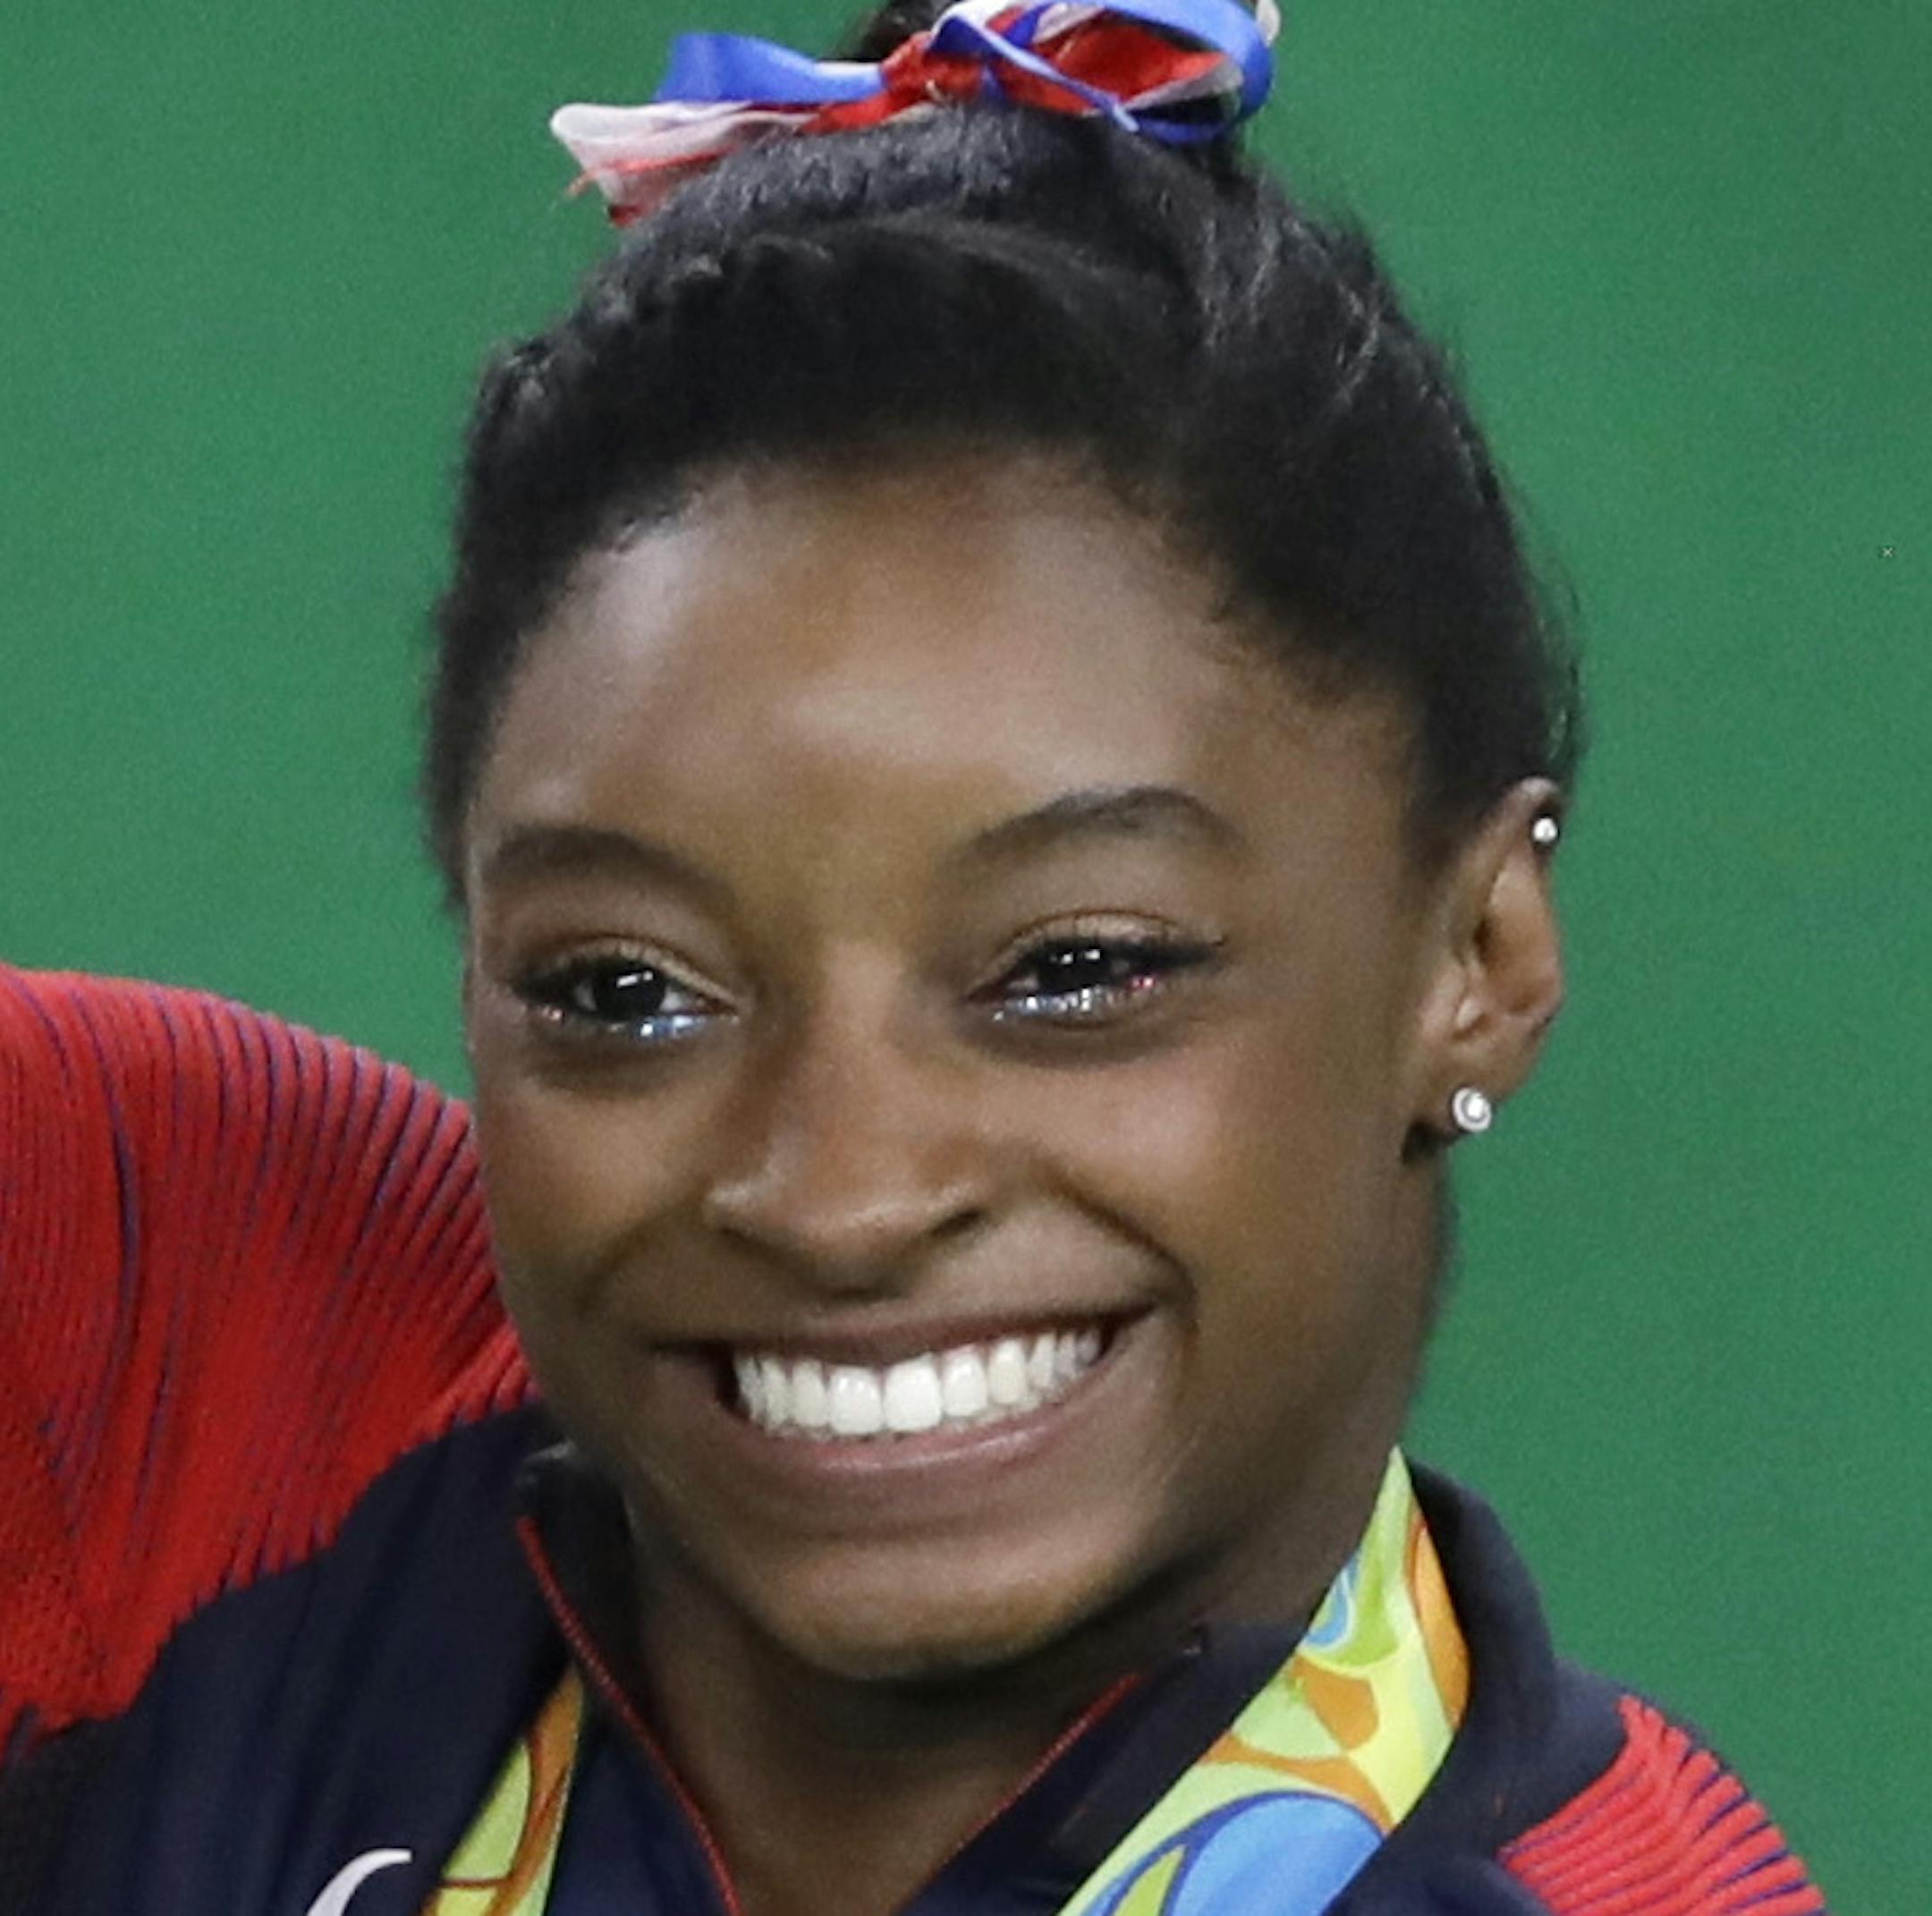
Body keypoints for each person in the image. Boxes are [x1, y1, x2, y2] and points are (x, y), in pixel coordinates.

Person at [0, 2, 1829, 1911]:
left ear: (1479, 953)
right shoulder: (171, 1398)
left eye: (1077, 970)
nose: (840, 1197)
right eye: (624, 991)